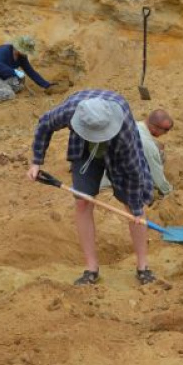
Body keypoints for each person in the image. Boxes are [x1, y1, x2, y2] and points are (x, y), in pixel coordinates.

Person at [26, 90, 155, 285]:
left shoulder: (124, 127)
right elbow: (44, 123)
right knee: (82, 203)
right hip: (84, 151)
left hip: (117, 152)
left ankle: (143, 267)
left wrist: (136, 208)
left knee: (134, 208)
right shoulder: (70, 111)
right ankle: (91, 268)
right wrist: (36, 162)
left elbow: (134, 170)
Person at [103, 109, 174, 200]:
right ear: (154, 128)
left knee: (158, 152)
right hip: (111, 183)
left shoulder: (132, 125)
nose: (165, 133)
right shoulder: (148, 145)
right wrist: (168, 191)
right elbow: (157, 175)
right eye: (165, 131)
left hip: (103, 170)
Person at [0, 36, 52, 106]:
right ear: (19, 48)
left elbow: (30, 71)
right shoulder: (3, 50)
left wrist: (46, 85)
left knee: (18, 84)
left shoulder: (22, 57)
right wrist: (15, 72)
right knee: (9, 93)